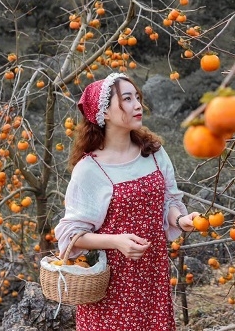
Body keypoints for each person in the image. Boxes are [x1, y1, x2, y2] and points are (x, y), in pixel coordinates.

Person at [54, 72, 199, 330]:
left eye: (137, 98)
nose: (137, 105)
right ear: (104, 112)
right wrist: (115, 241)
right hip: (111, 286)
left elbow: (167, 201)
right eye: (127, 99)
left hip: (153, 277)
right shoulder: (90, 169)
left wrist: (180, 219)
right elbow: (70, 235)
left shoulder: (152, 152)